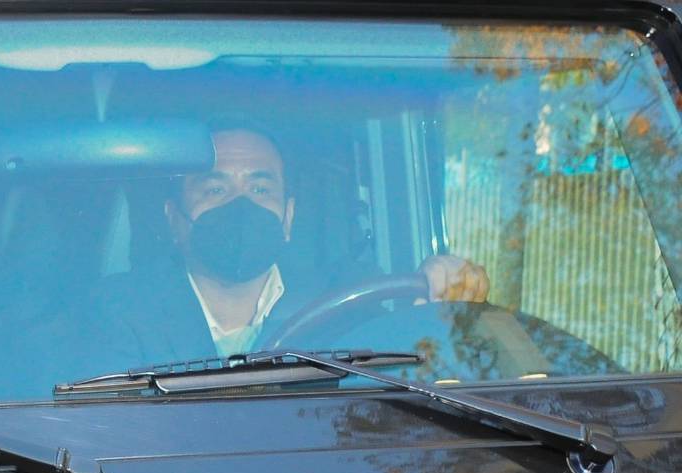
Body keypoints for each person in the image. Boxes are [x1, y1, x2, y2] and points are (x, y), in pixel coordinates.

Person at [87, 124, 490, 370]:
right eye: (215, 189)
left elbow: (411, 367)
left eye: (260, 189)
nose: (241, 205)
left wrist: (443, 294)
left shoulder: (347, 304)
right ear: (174, 218)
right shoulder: (113, 311)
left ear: (288, 216)